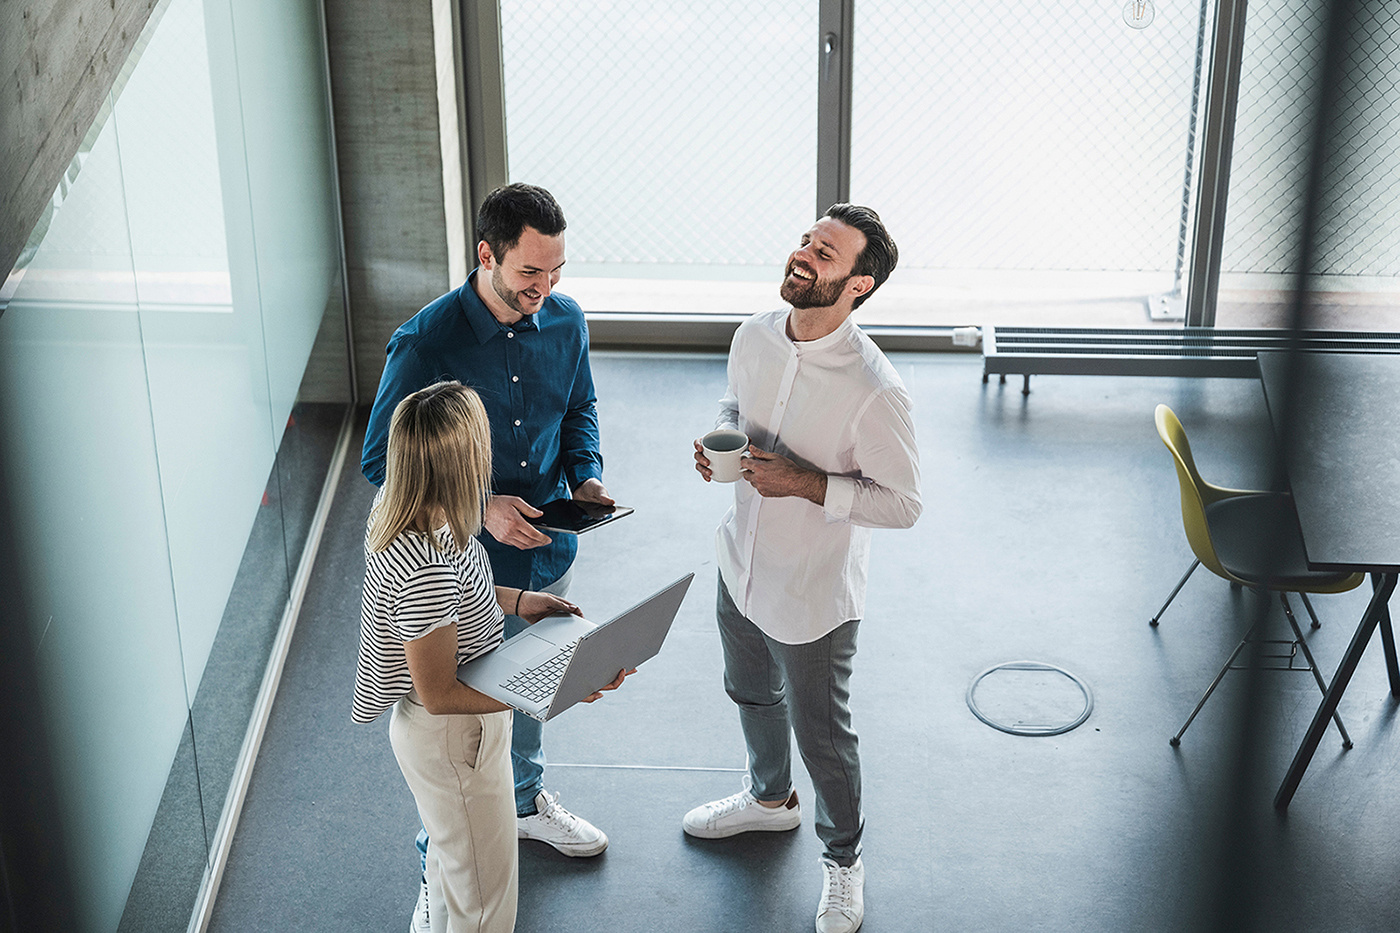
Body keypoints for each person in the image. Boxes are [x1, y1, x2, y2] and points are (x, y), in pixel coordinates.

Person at [361, 184, 613, 932]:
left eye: (557, 271)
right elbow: (382, 460)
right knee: (458, 744)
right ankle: (435, 867)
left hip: (549, 548)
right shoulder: (424, 343)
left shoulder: (564, 320)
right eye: (531, 272)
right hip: (465, 565)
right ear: (486, 254)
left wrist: (587, 471)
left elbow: (580, 408)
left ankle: (528, 801)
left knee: (522, 693)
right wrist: (482, 510)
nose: (546, 289)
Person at [684, 204, 921, 933]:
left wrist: (808, 483)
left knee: (823, 736)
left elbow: (905, 504)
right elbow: (735, 401)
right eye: (806, 242)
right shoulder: (754, 335)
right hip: (740, 561)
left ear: (860, 285)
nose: (804, 256)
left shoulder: (876, 390)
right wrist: (719, 441)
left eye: (826, 253)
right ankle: (768, 800)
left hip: (813, 593)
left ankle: (844, 861)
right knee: (749, 689)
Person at [352, 381, 625, 933]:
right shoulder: (424, 563)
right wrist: (553, 688)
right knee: (486, 906)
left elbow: (457, 595)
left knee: (454, 869)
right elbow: (440, 692)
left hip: (456, 734)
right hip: (458, 738)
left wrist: (520, 601)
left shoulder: (406, 510)